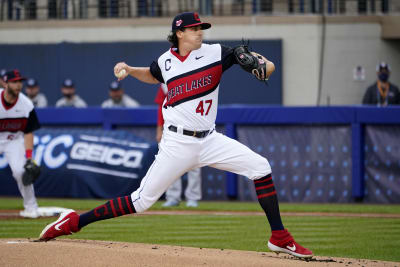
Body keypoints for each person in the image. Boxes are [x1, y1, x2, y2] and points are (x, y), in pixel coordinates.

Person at [39, 12, 313, 259]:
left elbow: (268, 69)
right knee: (141, 201)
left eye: (201, 28)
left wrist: (254, 59)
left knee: (260, 167)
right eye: (194, 28)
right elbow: (154, 75)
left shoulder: (217, 52)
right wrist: (132, 71)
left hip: (210, 140)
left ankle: (279, 237)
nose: (200, 32)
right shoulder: (165, 61)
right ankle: (75, 222)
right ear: (179, 33)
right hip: (177, 143)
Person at [0, 70, 41, 218]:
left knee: (21, 171)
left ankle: (31, 208)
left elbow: (29, 132)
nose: (18, 85)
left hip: (14, 140)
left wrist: (29, 158)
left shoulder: (26, 104)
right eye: (14, 81)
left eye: (20, 82)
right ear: (5, 83)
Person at [155, 84, 201, 208]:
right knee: (171, 164)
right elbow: (161, 106)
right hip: (172, 128)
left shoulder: (195, 78)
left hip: (192, 126)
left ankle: (193, 198)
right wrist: (159, 129)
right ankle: (173, 197)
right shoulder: (165, 82)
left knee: (194, 164)